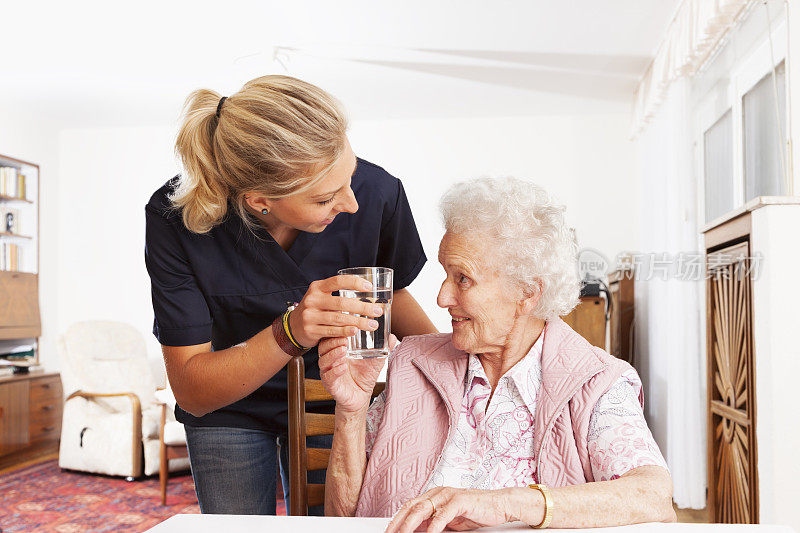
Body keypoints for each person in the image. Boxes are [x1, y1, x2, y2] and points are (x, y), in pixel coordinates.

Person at [144, 75, 436, 515]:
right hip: (227, 406)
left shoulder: (377, 192)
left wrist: (450, 364)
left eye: (350, 175)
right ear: (260, 201)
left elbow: (391, 294)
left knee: (335, 523)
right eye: (325, 199)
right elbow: (192, 390)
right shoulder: (176, 219)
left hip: (334, 393)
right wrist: (291, 331)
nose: (352, 204)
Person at [319, 177, 675, 530]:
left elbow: (652, 496)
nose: (442, 298)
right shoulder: (411, 364)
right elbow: (344, 521)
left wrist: (507, 503)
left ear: (527, 293)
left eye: (463, 279)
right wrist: (352, 409)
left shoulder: (596, 382)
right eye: (446, 274)